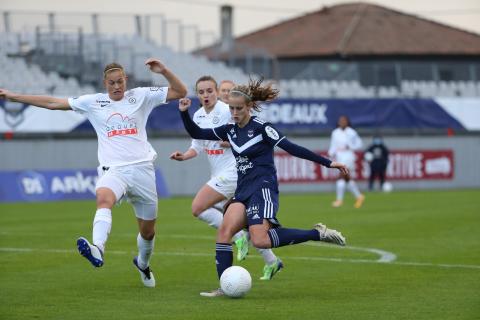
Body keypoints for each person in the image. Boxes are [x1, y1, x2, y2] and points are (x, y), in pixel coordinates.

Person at [0, 58, 187, 288]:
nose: (117, 87)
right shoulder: (93, 102)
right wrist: (12, 96)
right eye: (111, 83)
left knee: (148, 233)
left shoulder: (141, 95)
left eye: (120, 82)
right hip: (114, 170)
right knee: (103, 198)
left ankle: (142, 263)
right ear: (104, 83)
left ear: (126, 80)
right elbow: (52, 102)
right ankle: (98, 247)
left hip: (143, 171)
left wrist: (164, 70)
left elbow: (180, 91)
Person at [178, 78, 348, 297]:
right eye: (231, 108)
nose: (234, 112)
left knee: (260, 239)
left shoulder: (263, 128)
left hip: (263, 188)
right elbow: (198, 133)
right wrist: (184, 113)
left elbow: (292, 148)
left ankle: (317, 234)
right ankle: (224, 286)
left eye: (239, 108)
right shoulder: (229, 129)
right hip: (243, 190)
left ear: (249, 107)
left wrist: (329, 163)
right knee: (224, 232)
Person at [169, 76, 283, 280]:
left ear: (216, 91)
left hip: (233, 172)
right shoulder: (197, 115)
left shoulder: (227, 110)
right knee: (246, 221)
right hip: (217, 173)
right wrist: (184, 156)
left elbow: (242, 134)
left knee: (198, 207)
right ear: (197, 95)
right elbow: (197, 145)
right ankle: (272, 261)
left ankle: (238, 236)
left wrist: (230, 143)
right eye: (201, 92)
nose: (206, 95)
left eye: (210, 91)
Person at [328, 115, 365, 208]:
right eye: (341, 121)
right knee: (347, 178)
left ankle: (339, 200)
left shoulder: (352, 132)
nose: (342, 122)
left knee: (341, 176)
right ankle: (359, 196)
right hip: (339, 157)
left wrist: (351, 146)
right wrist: (330, 152)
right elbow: (333, 145)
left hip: (348, 156)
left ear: (347, 122)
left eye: (344, 121)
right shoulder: (335, 132)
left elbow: (359, 144)